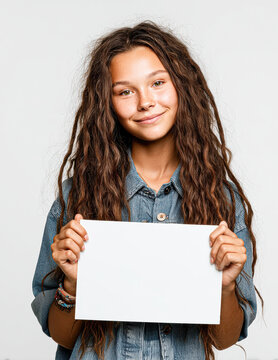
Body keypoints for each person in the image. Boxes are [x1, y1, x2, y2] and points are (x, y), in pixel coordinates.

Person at [31, 21, 260, 360]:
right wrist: (72, 285)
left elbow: (224, 340)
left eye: (157, 83)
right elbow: (63, 337)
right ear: (107, 104)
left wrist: (225, 286)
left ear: (181, 86)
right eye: (125, 91)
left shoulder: (222, 201)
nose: (145, 102)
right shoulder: (77, 197)